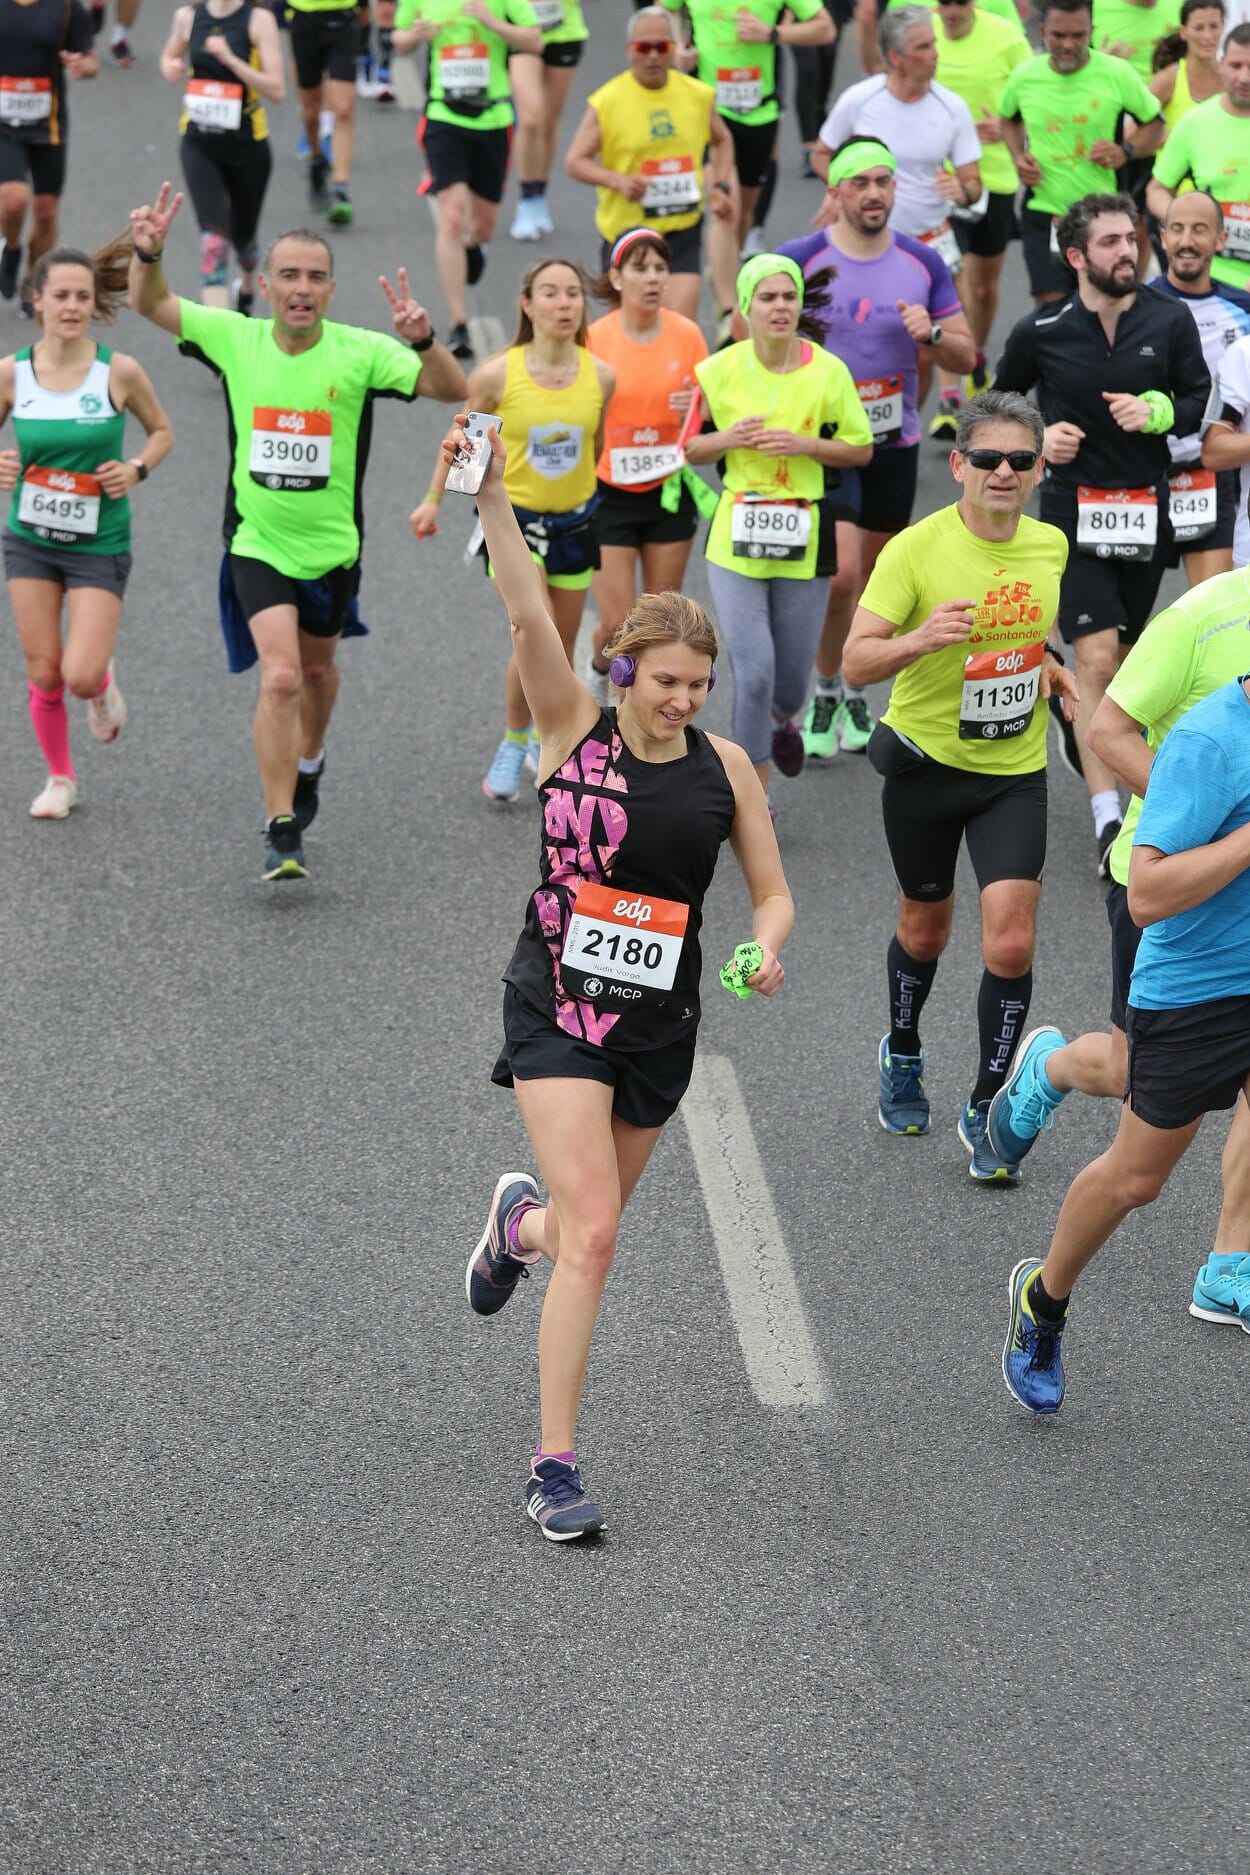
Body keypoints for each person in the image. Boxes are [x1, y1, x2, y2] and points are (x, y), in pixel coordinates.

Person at [460, 414, 793, 1543]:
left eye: (699, 684)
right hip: (555, 1004)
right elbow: (518, 606)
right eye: (665, 682)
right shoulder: (568, 727)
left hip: (661, 1024)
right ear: (623, 671)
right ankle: (552, 1465)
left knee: (575, 1232)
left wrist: (767, 945)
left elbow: (771, 890)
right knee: (597, 1237)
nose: (683, 701)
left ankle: (516, 1229)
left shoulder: (727, 769)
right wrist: (493, 497)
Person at [127, 181, 467, 880]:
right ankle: (281, 824)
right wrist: (150, 252)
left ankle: (311, 762)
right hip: (257, 542)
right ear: (266, 283)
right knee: (279, 676)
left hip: (334, 550)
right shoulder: (235, 336)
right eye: (289, 275)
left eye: (315, 277)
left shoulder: (360, 351)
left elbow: (451, 389)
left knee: (316, 670)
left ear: (332, 291)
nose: (302, 288)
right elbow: (150, 302)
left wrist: (425, 340)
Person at [842, 390, 1077, 1181]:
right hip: (927, 767)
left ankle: (990, 1100)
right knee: (926, 930)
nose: (1003, 472)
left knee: (1010, 937)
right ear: (958, 466)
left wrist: (1048, 667)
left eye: (1020, 460)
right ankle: (903, 1052)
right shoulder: (913, 550)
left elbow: (1029, 631)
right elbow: (855, 661)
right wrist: (919, 639)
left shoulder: (1049, 546)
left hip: (1014, 772)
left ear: (1039, 469)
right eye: (988, 459)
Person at [1003, 670, 1250, 1415]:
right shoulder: (1210, 742)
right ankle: (1043, 1301)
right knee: (1136, 1180)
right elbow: (1147, 892)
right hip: (1198, 990)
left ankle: (1229, 1263)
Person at [986, 567, 1250, 1261]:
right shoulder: (1206, 617)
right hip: (1167, 885)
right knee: (1130, 1075)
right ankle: (1053, 1067)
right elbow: (1107, 729)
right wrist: (1205, 818)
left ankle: (1229, 1259)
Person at [995, 192, 1210, 875]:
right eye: (1112, 242)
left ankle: (1078, 719)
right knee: (1097, 661)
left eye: (1131, 238)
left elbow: (1199, 401)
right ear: (1078, 256)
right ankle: (1108, 818)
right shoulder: (1044, 329)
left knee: (1122, 654)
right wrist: (1035, 436)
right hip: (1069, 517)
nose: (1129, 250)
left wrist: (1159, 409)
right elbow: (994, 406)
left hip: (1146, 512)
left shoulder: (1169, 320)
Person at [774, 138, 972, 760]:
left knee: (873, 585)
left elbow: (967, 355)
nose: (874, 193)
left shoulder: (921, 262)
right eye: (860, 182)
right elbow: (745, 336)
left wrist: (934, 333)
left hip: (893, 443)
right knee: (841, 576)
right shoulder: (798, 260)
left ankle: (852, 689)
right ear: (835, 192)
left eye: (884, 181)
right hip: (823, 448)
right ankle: (828, 685)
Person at [410, 257, 613, 803]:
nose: (564, 303)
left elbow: (594, 450)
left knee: (562, 643)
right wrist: (433, 500)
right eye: (550, 293)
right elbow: (461, 440)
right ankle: (514, 740)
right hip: (514, 526)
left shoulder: (603, 375)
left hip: (576, 521)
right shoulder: (498, 374)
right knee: (533, 628)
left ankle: (540, 741)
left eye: (573, 293)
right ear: (526, 303)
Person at [684, 253, 872, 809]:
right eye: (767, 298)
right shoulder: (718, 371)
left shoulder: (827, 371)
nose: (780, 307)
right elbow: (690, 445)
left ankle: (780, 725)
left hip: (804, 533)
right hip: (737, 534)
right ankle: (749, 796)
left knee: (788, 686)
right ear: (744, 308)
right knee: (755, 669)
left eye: (788, 296)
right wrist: (730, 438)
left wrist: (807, 445)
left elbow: (860, 449)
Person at [0, 237, 172, 820]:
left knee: (77, 674)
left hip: (99, 542)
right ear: (37, 301)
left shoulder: (118, 372)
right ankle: (60, 778)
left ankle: (101, 689)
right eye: (60, 296)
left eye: (82, 296)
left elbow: (162, 432)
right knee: (44, 668)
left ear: (93, 302)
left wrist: (136, 468)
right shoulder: (11, 374)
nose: (71, 306)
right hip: (30, 539)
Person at [582, 228, 708, 704]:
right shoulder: (595, 338)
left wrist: (695, 408)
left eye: (660, 268)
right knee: (618, 626)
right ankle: (599, 667)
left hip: (667, 488)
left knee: (659, 626)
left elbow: (711, 411)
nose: (653, 278)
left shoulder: (687, 333)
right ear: (617, 277)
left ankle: (638, 729)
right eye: (640, 268)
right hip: (608, 490)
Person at [563, 7, 740, 325]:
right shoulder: (607, 101)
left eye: (663, 47)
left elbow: (723, 140)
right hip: (627, 233)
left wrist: (720, 185)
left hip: (681, 228)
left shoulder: (698, 95)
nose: (654, 56)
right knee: (631, 328)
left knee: (679, 322)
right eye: (645, 47)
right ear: (630, 50)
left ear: (675, 48)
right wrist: (617, 180)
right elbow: (575, 161)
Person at [393, 0, 541, 359]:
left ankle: (473, 247)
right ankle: (459, 325)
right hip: (444, 115)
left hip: (493, 118)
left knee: (482, 226)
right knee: (452, 215)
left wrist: (493, 23)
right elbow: (398, 39)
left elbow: (535, 41)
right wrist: (416, 35)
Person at [674, 0, 835, 323]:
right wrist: (678, 46)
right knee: (724, 207)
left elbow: (825, 28)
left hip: (759, 109)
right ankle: (728, 310)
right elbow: (663, 11)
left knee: (744, 210)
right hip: (708, 110)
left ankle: (725, 268)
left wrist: (773, 33)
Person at [999, 0, 1165, 305]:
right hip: (1046, 210)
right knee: (1052, 310)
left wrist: (1125, 150)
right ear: (1042, 31)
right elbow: (1008, 117)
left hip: (1104, 215)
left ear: (1091, 31)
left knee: (1103, 308)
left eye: (1078, 36)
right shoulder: (1025, 77)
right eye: (1058, 35)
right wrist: (1017, 156)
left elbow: (1156, 125)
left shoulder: (1116, 73)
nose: (1068, 45)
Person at [931, 0, 1030, 410]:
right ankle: (949, 394)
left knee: (982, 288)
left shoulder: (1006, 38)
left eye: (960, 2)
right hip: (940, 180)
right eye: (944, 3)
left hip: (994, 177)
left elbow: (1033, 96)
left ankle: (975, 355)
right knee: (947, 282)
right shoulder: (923, 34)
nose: (952, 11)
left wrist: (1005, 126)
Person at [1148, 191, 1250, 584]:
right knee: (1125, 634)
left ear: (1221, 241)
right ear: (1162, 237)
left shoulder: (1242, 309)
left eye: (1199, 230)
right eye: (1177, 229)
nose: (1187, 240)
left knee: (1215, 608)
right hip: (1140, 472)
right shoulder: (1137, 307)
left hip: (1211, 473)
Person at [160, 0, 285, 314]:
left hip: (248, 146)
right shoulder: (188, 17)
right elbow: (169, 54)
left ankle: (245, 286)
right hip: (199, 143)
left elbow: (277, 89)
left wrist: (231, 59)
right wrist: (171, 67)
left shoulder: (259, 20)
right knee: (213, 242)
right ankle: (220, 338)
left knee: (244, 242)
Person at [0, 0, 97, 312]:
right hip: (3, 127)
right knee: (13, 199)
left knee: (45, 212)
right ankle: (11, 248)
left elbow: (91, 61)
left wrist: (82, 66)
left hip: (48, 127)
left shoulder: (67, 8)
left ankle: (32, 279)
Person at [1147, 23, 1250, 294]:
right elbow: (1157, 189)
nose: (1244, 77)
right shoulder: (1195, 124)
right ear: (1221, 65)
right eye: (1236, 65)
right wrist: (1186, 222)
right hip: (1212, 281)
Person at [508, 0, 588, 242]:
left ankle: (539, 193)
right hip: (521, 31)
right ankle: (527, 197)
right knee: (531, 118)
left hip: (563, 30)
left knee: (549, 121)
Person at [285, 0, 364, 224]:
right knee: (311, 112)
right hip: (303, 19)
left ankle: (341, 189)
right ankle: (318, 160)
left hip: (343, 19)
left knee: (343, 110)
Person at [1149, 0, 1224, 130]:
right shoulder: (1168, 79)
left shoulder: (1235, 76)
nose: (1207, 36)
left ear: (1223, 27)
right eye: (1198, 28)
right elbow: (1131, 133)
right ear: (1183, 32)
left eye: (1213, 26)